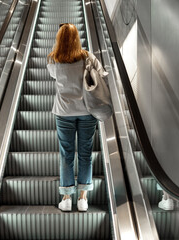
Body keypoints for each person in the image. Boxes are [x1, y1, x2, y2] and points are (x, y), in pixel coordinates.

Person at [47, 23, 104, 212]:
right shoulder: (88, 56)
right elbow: (102, 74)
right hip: (87, 111)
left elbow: (54, 77)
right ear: (76, 38)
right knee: (86, 154)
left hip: (64, 113)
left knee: (66, 155)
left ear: (59, 38)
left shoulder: (53, 59)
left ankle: (66, 198)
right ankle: (83, 199)